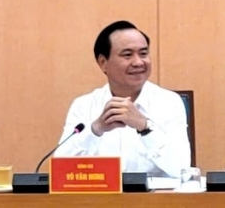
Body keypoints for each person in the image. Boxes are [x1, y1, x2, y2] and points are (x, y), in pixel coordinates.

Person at [54, 20, 190, 178]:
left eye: (143, 53)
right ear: (103, 63)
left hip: (154, 194)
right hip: (101, 194)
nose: (138, 62)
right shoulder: (84, 106)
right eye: (127, 55)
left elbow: (181, 170)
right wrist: (95, 130)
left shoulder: (169, 103)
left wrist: (145, 127)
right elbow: (62, 169)